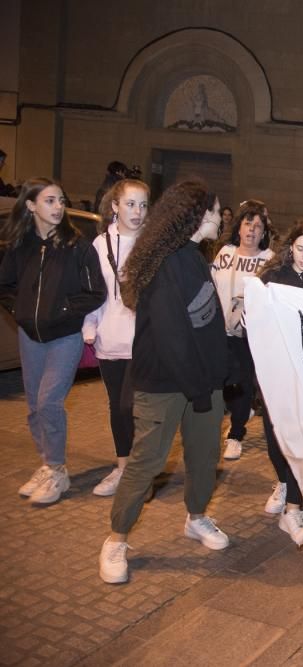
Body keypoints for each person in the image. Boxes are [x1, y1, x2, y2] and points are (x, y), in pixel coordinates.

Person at [98, 180, 229, 584]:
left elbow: (205, 324)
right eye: (216, 210)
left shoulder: (193, 256)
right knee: (147, 462)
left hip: (201, 384)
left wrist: (223, 375)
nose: (221, 218)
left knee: (205, 455)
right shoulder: (167, 262)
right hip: (165, 384)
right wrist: (200, 389)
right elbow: (173, 337)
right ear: (196, 215)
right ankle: (116, 538)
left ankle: (197, 516)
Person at [0, 178, 107, 504]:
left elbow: (95, 292)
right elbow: (5, 285)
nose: (58, 206)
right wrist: (20, 310)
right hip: (30, 336)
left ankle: (58, 471)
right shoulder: (22, 245)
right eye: (50, 201)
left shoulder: (78, 247)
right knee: (34, 407)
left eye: (61, 200)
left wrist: (61, 310)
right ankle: (47, 465)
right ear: (31, 206)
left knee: (48, 402)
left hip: (65, 336)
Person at [256, 219, 303, 539]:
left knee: (299, 441)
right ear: (290, 247)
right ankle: (287, 486)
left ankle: (293, 507)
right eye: (300, 249)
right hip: (274, 371)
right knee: (275, 440)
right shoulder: (271, 277)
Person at [82, 179, 149, 496]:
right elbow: (94, 291)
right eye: (131, 204)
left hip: (142, 341)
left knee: (131, 407)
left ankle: (140, 472)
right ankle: (123, 467)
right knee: (115, 407)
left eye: (143, 205)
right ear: (115, 206)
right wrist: (90, 324)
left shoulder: (152, 244)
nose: (137, 211)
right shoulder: (99, 245)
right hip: (109, 338)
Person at [211, 200, 274, 460]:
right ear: (239, 227)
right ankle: (241, 410)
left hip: (247, 334)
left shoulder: (268, 260)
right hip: (218, 331)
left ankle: (236, 434)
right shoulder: (224, 252)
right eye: (248, 224)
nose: (252, 230)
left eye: (258, 226)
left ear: (263, 233)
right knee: (222, 381)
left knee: (241, 381)